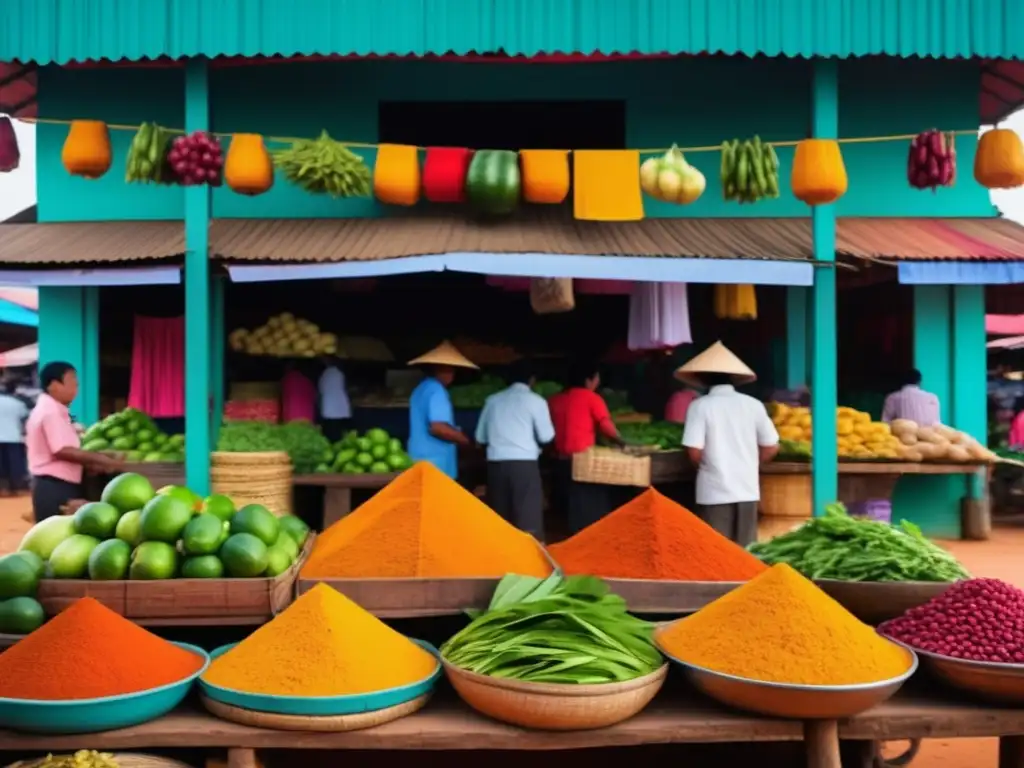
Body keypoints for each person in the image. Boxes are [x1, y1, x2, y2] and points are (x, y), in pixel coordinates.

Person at [678, 341, 779, 546]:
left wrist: (709, 468)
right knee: (746, 551)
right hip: (747, 488)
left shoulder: (700, 406)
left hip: (714, 490)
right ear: (734, 378)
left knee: (716, 551)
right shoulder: (753, 405)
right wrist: (752, 465)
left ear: (702, 378)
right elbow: (772, 446)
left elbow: (694, 452)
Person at [25, 362, 121, 522]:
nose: (76, 387)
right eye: (72, 382)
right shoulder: (50, 412)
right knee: (56, 538)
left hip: (56, 484)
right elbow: (62, 450)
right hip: (54, 486)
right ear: (54, 385)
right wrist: (102, 459)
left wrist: (91, 463)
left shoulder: (54, 410)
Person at [475, 359, 555, 541]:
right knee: (529, 525)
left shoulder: (492, 401)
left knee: (500, 521)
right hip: (524, 465)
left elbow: (480, 438)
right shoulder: (536, 401)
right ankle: (530, 566)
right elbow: (547, 436)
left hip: (496, 465)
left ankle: (501, 562)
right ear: (532, 380)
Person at [548, 361, 626, 533]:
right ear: (588, 380)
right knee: (589, 503)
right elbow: (606, 426)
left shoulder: (555, 400)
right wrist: (621, 442)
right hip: (584, 462)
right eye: (597, 378)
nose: (598, 382)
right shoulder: (592, 398)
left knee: (567, 502)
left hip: (560, 459)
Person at [407, 341, 477, 480]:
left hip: (418, 458)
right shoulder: (437, 391)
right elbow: (438, 428)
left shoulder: (420, 389)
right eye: (450, 369)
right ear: (439, 368)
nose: (452, 374)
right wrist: (463, 440)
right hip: (435, 463)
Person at [0, 381, 28, 495]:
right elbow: (24, 418)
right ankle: (16, 488)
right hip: (14, 438)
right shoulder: (18, 403)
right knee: (15, 465)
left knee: (1, 465)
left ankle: (3, 489)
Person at [317, 356, 352, 442]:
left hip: (330, 412)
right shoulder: (340, 373)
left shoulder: (324, 374)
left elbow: (320, 392)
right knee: (342, 437)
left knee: (331, 439)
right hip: (342, 410)